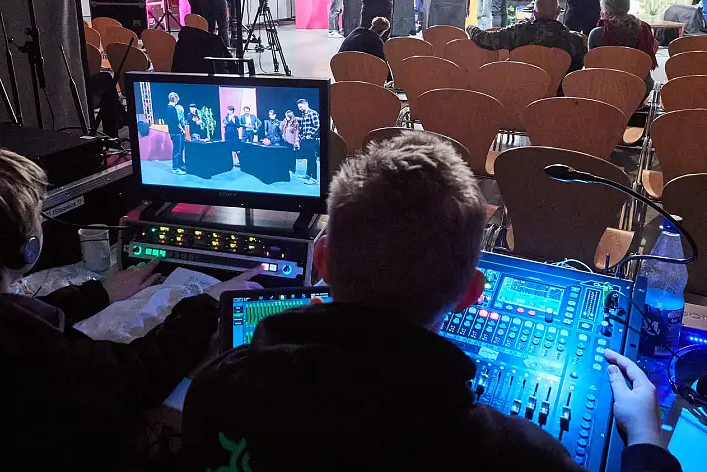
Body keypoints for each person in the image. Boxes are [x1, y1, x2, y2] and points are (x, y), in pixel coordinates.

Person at [181, 133, 683, 472]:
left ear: (322, 261)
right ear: (470, 294)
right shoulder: (516, 458)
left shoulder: (214, 394)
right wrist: (644, 441)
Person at [0, 146, 264, 470]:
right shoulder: (34, 355)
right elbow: (142, 373)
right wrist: (208, 304)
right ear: (26, 247)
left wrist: (99, 294)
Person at [467, 0, 587, 72]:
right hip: (559, 100)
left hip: (522, 94)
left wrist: (470, 28)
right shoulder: (575, 41)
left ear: (534, 13)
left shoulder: (519, 32)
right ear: (558, 12)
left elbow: (486, 40)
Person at [588, 0, 659, 95]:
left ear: (606, 12)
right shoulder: (644, 29)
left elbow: (591, 66)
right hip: (640, 88)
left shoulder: (597, 33)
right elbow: (648, 58)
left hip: (604, 89)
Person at [296, 98, 320, 185]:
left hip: (311, 140)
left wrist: (310, 134)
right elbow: (302, 127)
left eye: (301, 107)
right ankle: (308, 174)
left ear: (305, 104)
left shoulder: (312, 113)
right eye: (299, 107)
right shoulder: (303, 115)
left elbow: (317, 125)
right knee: (308, 158)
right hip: (305, 139)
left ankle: (314, 178)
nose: (300, 109)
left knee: (312, 159)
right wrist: (300, 136)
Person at [165, 91, 186, 174]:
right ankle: (175, 168)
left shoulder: (168, 108)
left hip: (174, 132)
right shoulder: (171, 108)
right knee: (177, 151)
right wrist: (182, 130)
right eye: (177, 99)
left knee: (178, 150)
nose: (177, 101)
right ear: (174, 99)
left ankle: (179, 165)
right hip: (175, 132)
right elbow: (176, 122)